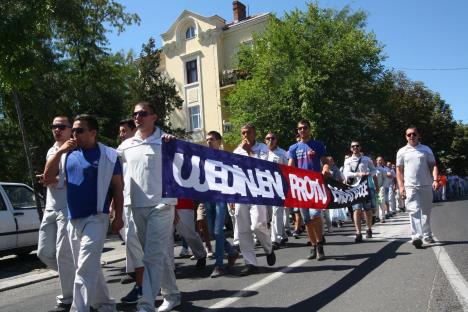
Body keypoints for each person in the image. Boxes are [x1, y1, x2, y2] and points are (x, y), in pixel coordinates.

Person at [44, 114, 124, 312]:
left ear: (93, 133)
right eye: (74, 130)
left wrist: (118, 217)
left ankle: (78, 308)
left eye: (79, 130)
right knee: (90, 267)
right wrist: (60, 151)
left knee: (84, 265)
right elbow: (47, 178)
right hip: (73, 219)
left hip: (97, 217)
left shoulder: (109, 155)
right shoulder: (67, 154)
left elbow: (117, 188)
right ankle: (105, 304)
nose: (74, 134)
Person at [118, 102, 180, 312]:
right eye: (135, 114)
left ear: (154, 117)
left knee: (151, 256)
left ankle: (146, 304)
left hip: (162, 205)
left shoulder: (167, 141)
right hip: (137, 207)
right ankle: (172, 294)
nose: (138, 117)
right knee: (157, 254)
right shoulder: (126, 145)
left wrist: (175, 147)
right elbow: (111, 170)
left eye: (142, 113)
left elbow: (188, 168)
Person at [37, 116, 75, 312]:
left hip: (68, 208)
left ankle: (67, 299)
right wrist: (50, 177)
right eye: (54, 126)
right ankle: (78, 278)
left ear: (70, 129)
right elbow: (48, 175)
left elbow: (76, 177)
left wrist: (52, 178)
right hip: (50, 207)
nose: (57, 129)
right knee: (43, 253)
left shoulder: (76, 150)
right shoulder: (52, 149)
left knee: (62, 255)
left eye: (61, 126)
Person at [232, 124, 276, 276]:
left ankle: (268, 248)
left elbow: (263, 168)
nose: (245, 135)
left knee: (257, 225)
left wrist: (249, 151)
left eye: (248, 132)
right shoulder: (237, 151)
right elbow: (233, 174)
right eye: (243, 132)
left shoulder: (263, 148)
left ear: (254, 133)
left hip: (257, 192)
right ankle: (250, 262)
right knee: (243, 229)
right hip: (241, 193)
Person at [288, 120, 326, 260]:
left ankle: (320, 243)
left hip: (315, 185)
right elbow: (290, 167)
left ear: (310, 129)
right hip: (301, 187)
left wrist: (325, 169)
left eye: (305, 128)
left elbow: (325, 161)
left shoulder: (317, 145)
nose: (302, 130)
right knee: (307, 219)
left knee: (316, 215)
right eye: (300, 128)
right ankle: (313, 245)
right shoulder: (293, 148)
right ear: (297, 131)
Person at [204, 131, 239, 278]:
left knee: (218, 231)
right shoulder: (203, 158)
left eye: (211, 139)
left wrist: (231, 198)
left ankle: (219, 265)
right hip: (207, 197)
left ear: (219, 141)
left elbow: (231, 179)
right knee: (212, 231)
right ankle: (231, 252)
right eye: (207, 140)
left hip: (221, 198)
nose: (208, 142)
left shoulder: (225, 158)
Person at [396, 126, 438, 249]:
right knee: (413, 210)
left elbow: (433, 165)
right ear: (406, 137)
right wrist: (401, 186)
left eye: (413, 134)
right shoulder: (402, 151)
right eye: (408, 135)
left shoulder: (426, 149)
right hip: (410, 186)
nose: (411, 136)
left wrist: (435, 179)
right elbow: (398, 170)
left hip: (426, 184)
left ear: (418, 135)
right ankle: (416, 237)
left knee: (426, 212)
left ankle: (427, 235)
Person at [343, 141, 378, 243]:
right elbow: (346, 173)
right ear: (351, 148)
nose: (355, 148)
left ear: (360, 147)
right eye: (353, 146)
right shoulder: (348, 160)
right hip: (354, 188)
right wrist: (358, 174)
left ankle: (368, 228)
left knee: (367, 209)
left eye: (357, 146)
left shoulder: (366, 159)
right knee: (356, 210)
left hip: (366, 187)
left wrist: (368, 174)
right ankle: (358, 232)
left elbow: (374, 170)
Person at [264, 131, 289, 248]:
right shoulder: (262, 152)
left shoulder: (283, 153)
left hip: (279, 187)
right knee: (270, 214)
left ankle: (275, 240)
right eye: (268, 138)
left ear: (276, 140)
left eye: (272, 138)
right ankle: (283, 235)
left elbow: (288, 171)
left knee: (276, 212)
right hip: (265, 188)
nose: (270, 140)